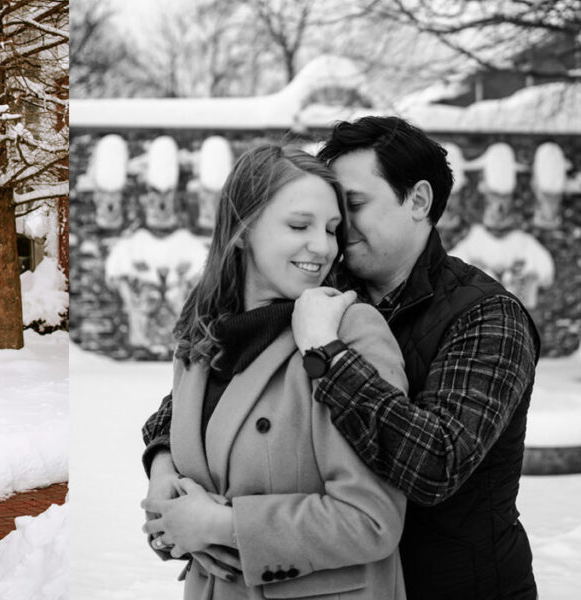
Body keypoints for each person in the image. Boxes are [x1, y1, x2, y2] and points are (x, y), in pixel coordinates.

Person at [143, 117, 540, 600]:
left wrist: (326, 354)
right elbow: (208, 401)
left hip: (459, 587)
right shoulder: (317, 295)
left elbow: (436, 464)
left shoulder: (485, 316)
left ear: (418, 200)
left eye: (349, 208)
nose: (333, 236)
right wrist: (164, 466)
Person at [141, 144, 409, 599]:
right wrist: (166, 493)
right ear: (242, 229)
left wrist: (222, 524)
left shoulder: (347, 330)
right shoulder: (201, 340)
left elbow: (373, 519)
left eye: (331, 228)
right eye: (299, 225)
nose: (323, 247)